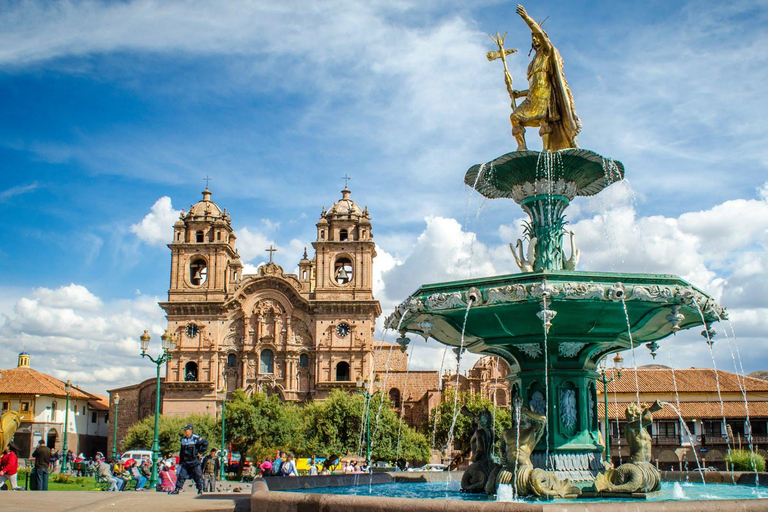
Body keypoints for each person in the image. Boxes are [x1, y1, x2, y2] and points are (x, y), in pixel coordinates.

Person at [507, 4, 581, 152]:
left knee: (544, 119)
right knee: (515, 117)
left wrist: (527, 19)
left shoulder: (547, 52)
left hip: (545, 95)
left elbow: (544, 83)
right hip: (533, 96)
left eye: (537, 36)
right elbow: (535, 85)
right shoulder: (533, 61)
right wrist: (519, 93)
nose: (535, 39)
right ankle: (522, 147)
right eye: (533, 38)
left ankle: (547, 149)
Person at [169, 423, 208, 495]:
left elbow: (206, 444)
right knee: (181, 475)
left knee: (197, 475)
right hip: (186, 461)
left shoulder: (196, 438)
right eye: (184, 430)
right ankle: (177, 489)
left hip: (194, 461)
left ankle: (200, 489)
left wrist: (200, 452)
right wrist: (181, 461)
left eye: (186, 430)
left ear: (190, 430)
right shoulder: (183, 440)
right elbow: (182, 451)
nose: (185, 432)